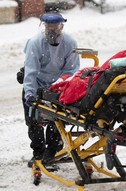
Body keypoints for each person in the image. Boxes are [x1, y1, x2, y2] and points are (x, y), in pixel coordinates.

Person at [22, 12, 80, 168]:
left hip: (58, 86)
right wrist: (29, 93)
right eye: (49, 27)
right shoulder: (35, 43)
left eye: (56, 27)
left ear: (62, 27)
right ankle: (38, 153)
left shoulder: (70, 43)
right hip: (37, 84)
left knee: (58, 120)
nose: (52, 30)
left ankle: (53, 153)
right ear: (43, 27)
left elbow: (72, 70)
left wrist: (57, 88)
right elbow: (31, 72)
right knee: (34, 121)